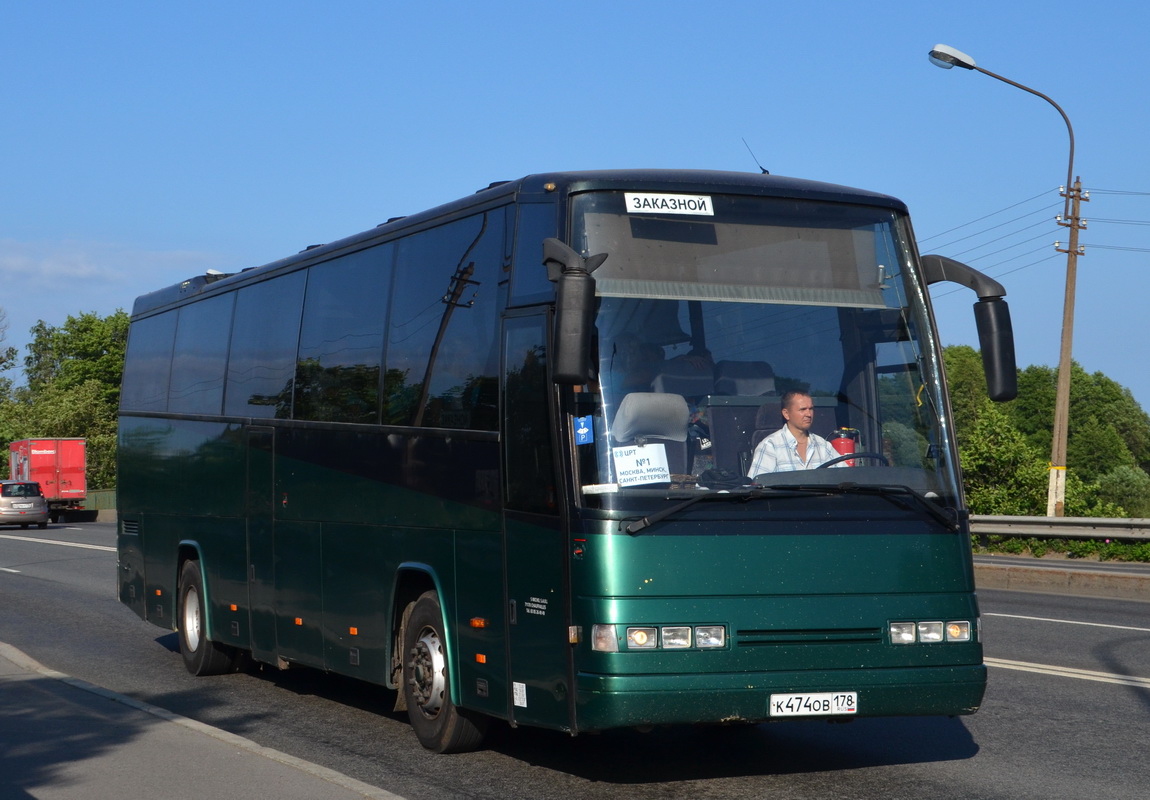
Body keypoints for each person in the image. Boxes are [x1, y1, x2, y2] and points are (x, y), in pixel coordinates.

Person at [746, 390, 840, 476]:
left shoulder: (823, 446)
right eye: (802, 409)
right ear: (786, 414)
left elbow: (846, 478)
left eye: (811, 409)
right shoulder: (770, 446)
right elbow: (756, 488)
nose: (808, 414)